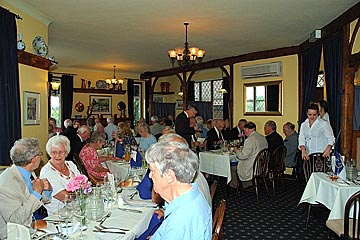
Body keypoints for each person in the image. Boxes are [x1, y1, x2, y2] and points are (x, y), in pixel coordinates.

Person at [145, 141, 212, 239]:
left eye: (152, 171)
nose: (150, 176)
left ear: (169, 175)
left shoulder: (180, 221)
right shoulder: (193, 194)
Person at [0, 138, 52, 238]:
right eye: (40, 154)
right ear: (33, 160)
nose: (41, 157)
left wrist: (47, 190)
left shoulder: (29, 171)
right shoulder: (6, 185)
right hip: (16, 234)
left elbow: (38, 201)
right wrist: (36, 193)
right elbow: (15, 220)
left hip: (36, 225)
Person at [40, 135, 80, 214]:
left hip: (76, 208)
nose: (57, 156)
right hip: (58, 214)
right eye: (54, 152)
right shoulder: (47, 172)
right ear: (49, 153)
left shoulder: (71, 165)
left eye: (61, 152)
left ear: (66, 153)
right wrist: (81, 191)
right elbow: (66, 197)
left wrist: (82, 190)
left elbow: (83, 183)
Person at [235, 122, 268, 188]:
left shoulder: (249, 140)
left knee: (233, 166)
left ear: (247, 129)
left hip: (252, 167)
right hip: (261, 166)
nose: (244, 133)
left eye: (244, 131)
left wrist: (236, 150)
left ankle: (235, 186)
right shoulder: (262, 137)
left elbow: (242, 156)